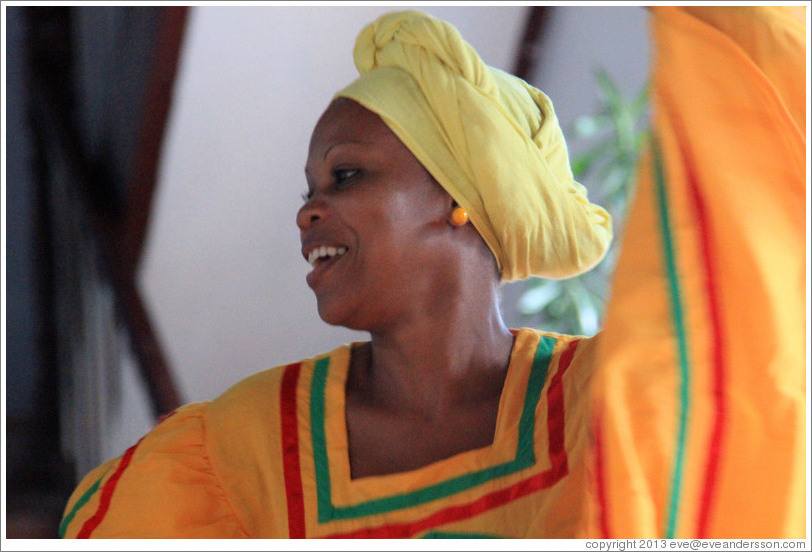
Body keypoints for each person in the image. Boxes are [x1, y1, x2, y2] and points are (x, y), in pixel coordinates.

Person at [59, 6, 806, 539]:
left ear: (459, 196)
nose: (307, 213)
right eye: (308, 190)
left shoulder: (602, 409)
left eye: (346, 176)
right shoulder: (234, 459)